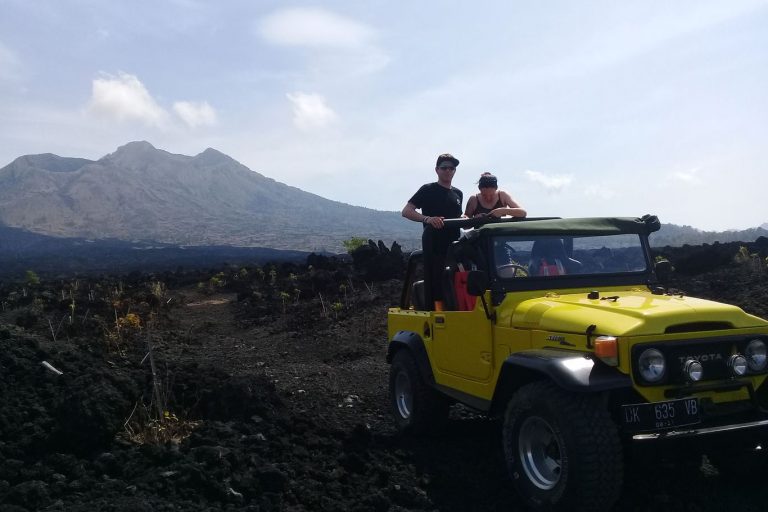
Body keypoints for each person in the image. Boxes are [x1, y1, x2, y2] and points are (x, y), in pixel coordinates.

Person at [402, 153, 464, 309]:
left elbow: (459, 217)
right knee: (437, 284)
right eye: (444, 168)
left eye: (452, 168)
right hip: (434, 246)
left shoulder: (458, 194)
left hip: (455, 248)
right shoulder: (428, 189)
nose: (448, 170)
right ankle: (438, 316)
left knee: (458, 282)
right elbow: (407, 210)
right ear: (437, 170)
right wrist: (427, 219)